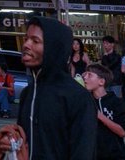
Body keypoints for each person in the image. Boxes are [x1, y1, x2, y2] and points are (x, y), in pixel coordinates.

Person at [18, 16, 97, 160]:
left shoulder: (78, 97)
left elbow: (83, 152)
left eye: (35, 41)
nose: (26, 45)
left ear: (53, 48)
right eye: (26, 39)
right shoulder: (27, 93)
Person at [82, 62, 125, 160]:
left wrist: (100, 116)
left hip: (114, 154)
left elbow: (122, 132)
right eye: (84, 75)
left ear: (101, 82)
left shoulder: (116, 102)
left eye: (89, 75)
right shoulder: (85, 102)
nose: (85, 78)